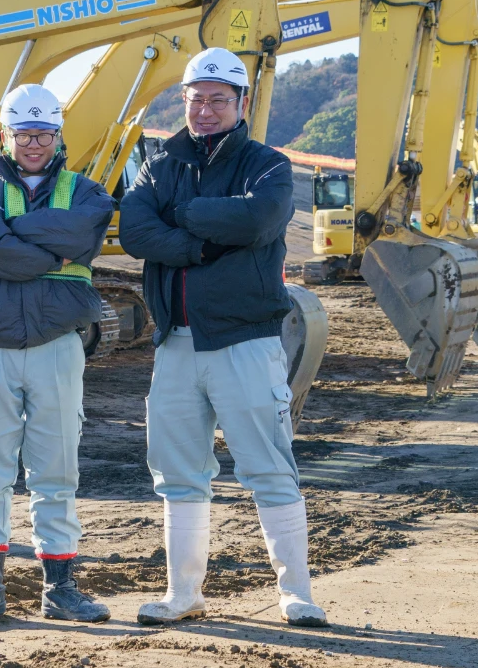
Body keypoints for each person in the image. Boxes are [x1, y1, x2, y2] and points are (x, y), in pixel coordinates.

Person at [119, 47, 327, 627]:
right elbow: (135, 230)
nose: (205, 110)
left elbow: (258, 220)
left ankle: (296, 595)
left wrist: (180, 213)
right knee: (178, 472)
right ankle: (182, 594)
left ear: (241, 102)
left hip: (245, 341)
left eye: (217, 100)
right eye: (196, 100)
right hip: (176, 343)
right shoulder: (161, 162)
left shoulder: (268, 165)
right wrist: (202, 243)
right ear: (183, 101)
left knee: (269, 467)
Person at [0, 82, 116, 623]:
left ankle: (60, 588)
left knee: (56, 470)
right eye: (23, 134)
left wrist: (10, 234)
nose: (34, 144)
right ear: (5, 135)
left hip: (57, 346)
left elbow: (80, 239)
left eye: (43, 134)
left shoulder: (86, 192)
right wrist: (49, 251)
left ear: (59, 135)